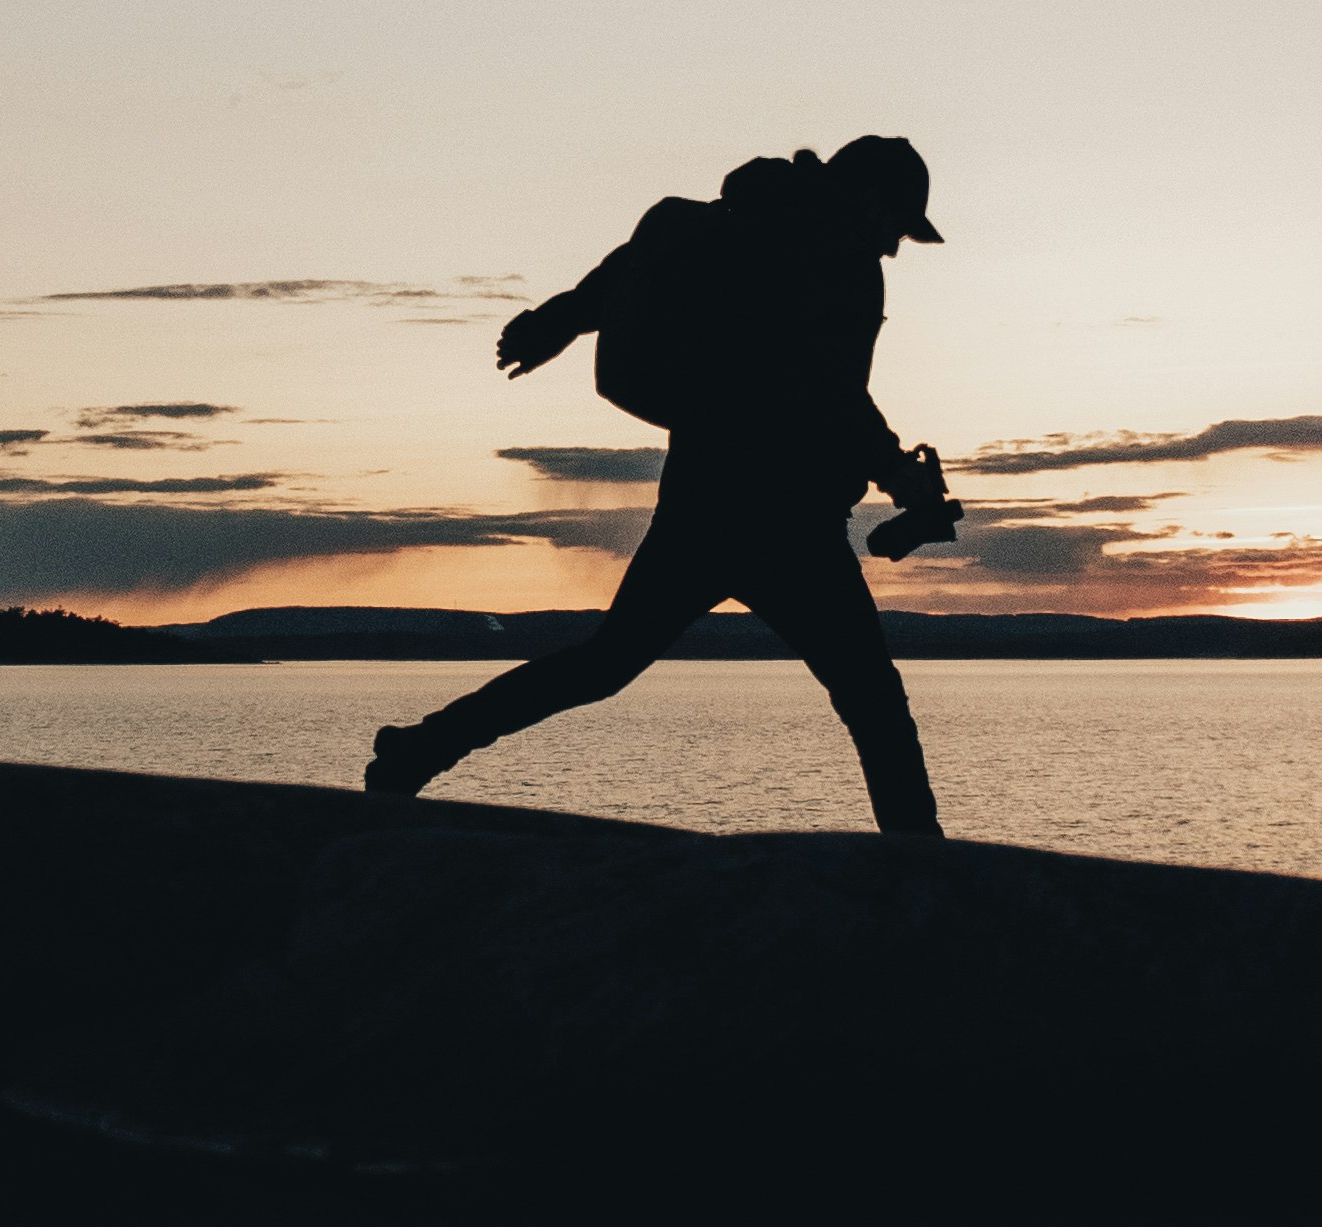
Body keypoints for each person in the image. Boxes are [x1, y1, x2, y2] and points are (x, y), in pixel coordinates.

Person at [366, 133, 957, 834]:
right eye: (896, 226)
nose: (893, 246)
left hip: (702, 502)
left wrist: (558, 317)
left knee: (603, 663)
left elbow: (635, 268)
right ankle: (924, 864)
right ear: (870, 199)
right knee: (874, 701)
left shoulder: (750, 222)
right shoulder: (840, 259)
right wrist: (894, 471)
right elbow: (823, 384)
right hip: (787, 521)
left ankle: (418, 750)